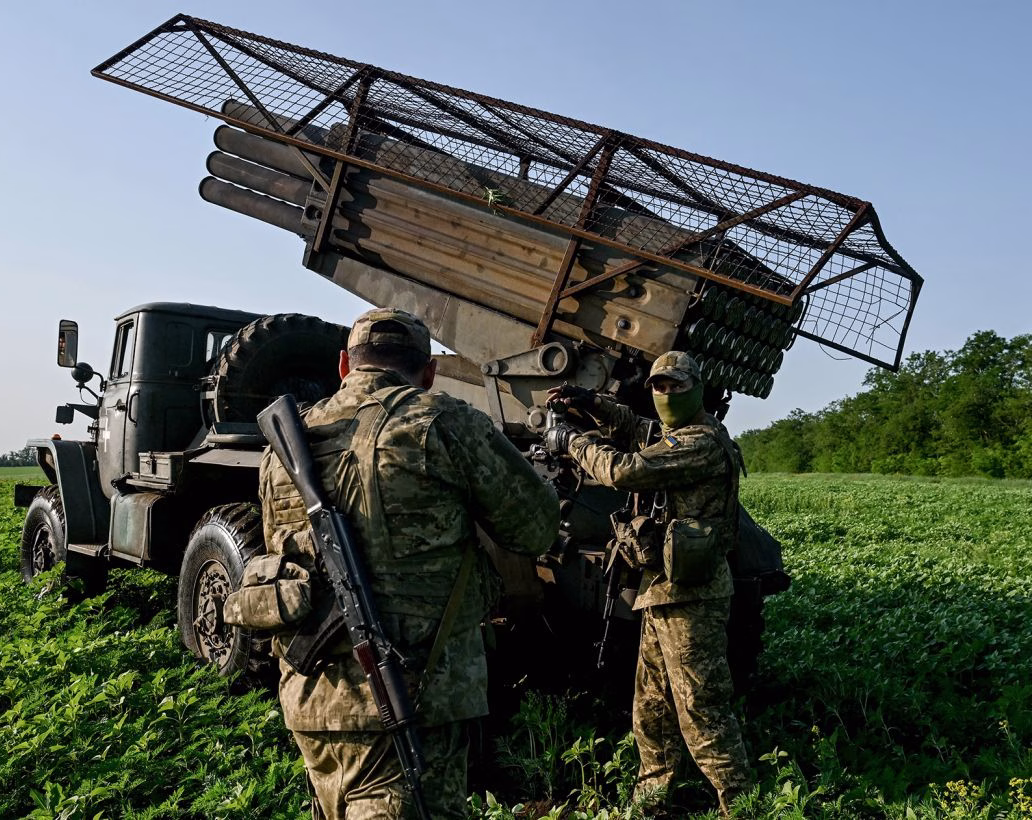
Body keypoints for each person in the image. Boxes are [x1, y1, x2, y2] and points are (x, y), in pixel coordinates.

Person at [259, 307, 558, 819]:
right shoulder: (444, 422)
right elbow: (535, 529)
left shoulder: (286, 446)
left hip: (312, 699)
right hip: (414, 695)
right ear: (429, 371)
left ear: (343, 366)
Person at [545, 350, 751, 816]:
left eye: (677, 385)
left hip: (691, 597)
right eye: (659, 385)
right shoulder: (676, 434)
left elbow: (626, 470)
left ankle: (743, 804)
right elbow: (639, 430)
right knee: (652, 707)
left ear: (697, 388)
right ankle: (652, 798)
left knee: (702, 709)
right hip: (661, 592)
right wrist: (593, 403)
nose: (666, 393)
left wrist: (570, 441)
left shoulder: (700, 442)